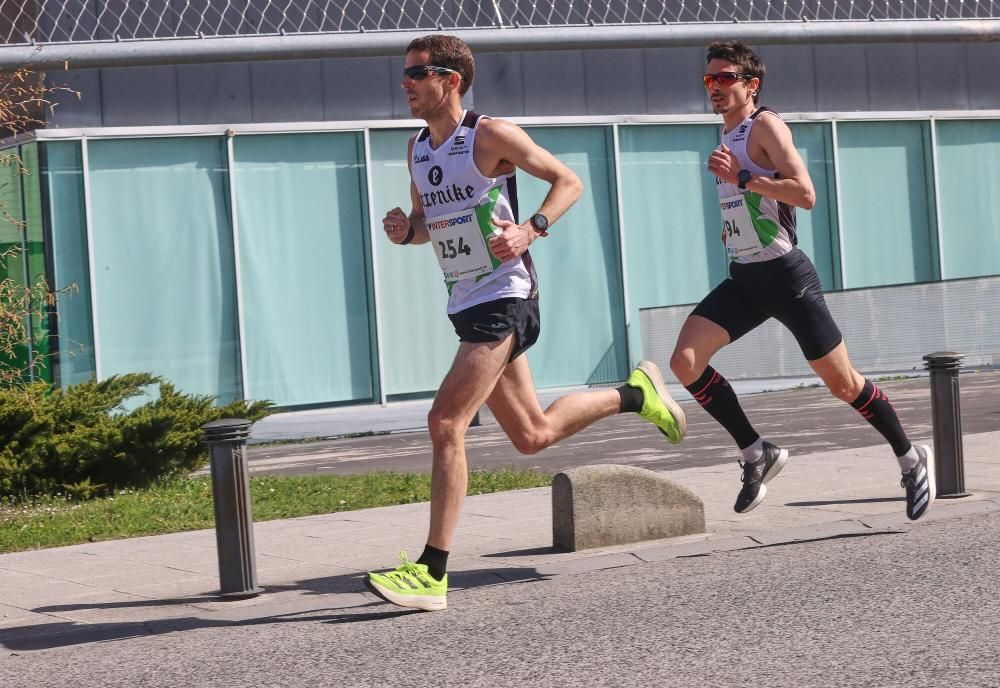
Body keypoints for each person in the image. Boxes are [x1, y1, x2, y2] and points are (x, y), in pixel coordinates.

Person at [365, 34, 686, 612]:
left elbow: (569, 180)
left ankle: (432, 571)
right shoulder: (418, 149)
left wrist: (530, 229)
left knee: (445, 422)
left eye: (418, 73)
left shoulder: (489, 135)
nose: (406, 82)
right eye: (405, 73)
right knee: (532, 435)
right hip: (466, 301)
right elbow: (425, 225)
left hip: (504, 296)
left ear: (451, 80)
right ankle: (634, 394)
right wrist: (404, 230)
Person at [669, 40, 935, 520]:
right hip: (746, 278)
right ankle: (756, 453)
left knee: (842, 384)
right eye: (710, 79)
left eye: (726, 78)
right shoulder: (725, 137)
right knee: (686, 361)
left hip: (786, 276)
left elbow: (805, 194)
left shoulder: (765, 126)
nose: (715, 87)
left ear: (752, 85)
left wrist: (745, 178)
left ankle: (910, 457)